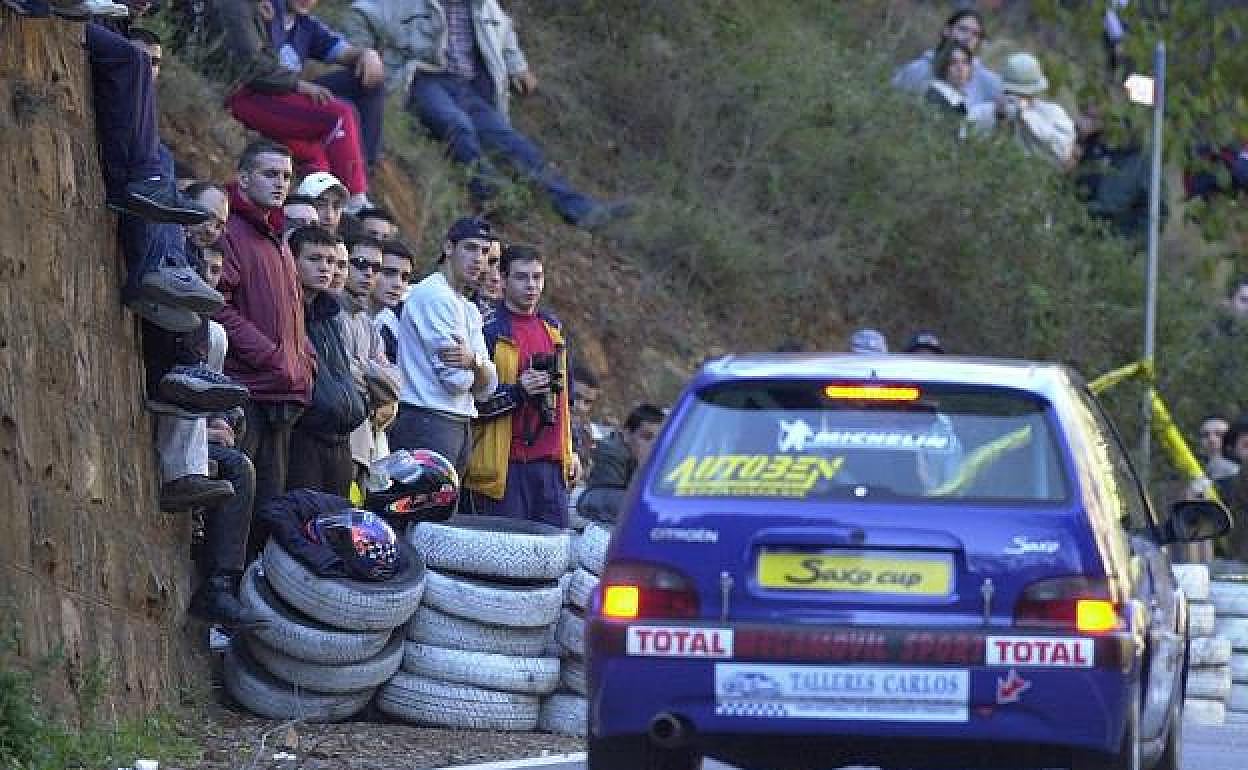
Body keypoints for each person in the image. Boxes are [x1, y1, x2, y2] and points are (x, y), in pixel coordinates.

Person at [340, 0, 632, 230]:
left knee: (515, 146)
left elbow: (504, 32)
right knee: (457, 125)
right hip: (423, 79)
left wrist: (518, 67)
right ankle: (494, 196)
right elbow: (360, 13)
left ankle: (583, 212)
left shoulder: (483, 4)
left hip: (467, 87)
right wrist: (365, 55)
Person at [172, 0, 373, 212]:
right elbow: (252, 68)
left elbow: (266, 60)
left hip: (262, 90)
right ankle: (355, 200)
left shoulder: (285, 17)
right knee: (339, 114)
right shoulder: (238, 5)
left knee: (314, 150)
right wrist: (297, 84)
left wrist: (267, 26)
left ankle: (317, 205)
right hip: (241, 93)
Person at [215, 140, 315, 544]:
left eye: (287, 176)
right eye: (270, 174)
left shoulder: (279, 239)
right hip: (247, 389)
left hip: (281, 392)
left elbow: (294, 315)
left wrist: (304, 363)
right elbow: (217, 306)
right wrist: (271, 357)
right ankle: (222, 578)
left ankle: (250, 580)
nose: (280, 183)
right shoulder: (230, 231)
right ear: (243, 178)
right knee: (235, 505)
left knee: (267, 512)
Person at [466, 244, 577, 526]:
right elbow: (471, 405)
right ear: (503, 280)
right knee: (505, 547)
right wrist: (518, 391)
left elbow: (565, 402)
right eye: (521, 277)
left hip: (551, 467)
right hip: (504, 468)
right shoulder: (488, 331)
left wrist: (570, 450)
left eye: (537, 277)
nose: (531, 285)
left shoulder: (553, 331)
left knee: (555, 548)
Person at [389, 217, 499, 482]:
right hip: (427, 420)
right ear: (449, 248)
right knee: (422, 506)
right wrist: (479, 367)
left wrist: (474, 362)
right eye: (470, 248)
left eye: (484, 252)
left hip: (456, 423)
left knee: (443, 507)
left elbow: (487, 389)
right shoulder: (435, 296)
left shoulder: (467, 307)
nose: (479, 259)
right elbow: (457, 381)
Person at [285, 226, 368, 496]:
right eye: (314, 259)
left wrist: (358, 405)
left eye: (331, 261)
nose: (325, 268)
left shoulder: (331, 314)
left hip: (340, 438)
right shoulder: (285, 309)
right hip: (302, 438)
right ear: (292, 260)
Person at [268, 0, 388, 170]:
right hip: (268, 96)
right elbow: (255, 67)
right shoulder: (263, 9)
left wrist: (368, 54)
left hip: (296, 93)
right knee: (345, 109)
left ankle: (363, 168)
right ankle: (351, 171)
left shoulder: (306, 25)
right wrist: (299, 85)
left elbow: (344, 52)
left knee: (369, 82)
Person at [337, 234, 401, 485]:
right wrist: (374, 376)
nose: (369, 273)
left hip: (365, 441)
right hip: (336, 438)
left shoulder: (367, 323)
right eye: (361, 264)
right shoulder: (329, 314)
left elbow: (395, 385)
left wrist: (362, 369)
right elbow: (340, 374)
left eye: (376, 267)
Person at [892, 9, 1002, 108]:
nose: (969, 37)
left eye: (975, 34)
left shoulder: (987, 80)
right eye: (963, 29)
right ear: (947, 31)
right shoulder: (919, 69)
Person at [577, 403, 664, 524]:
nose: (654, 446)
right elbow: (598, 500)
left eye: (661, 439)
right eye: (647, 438)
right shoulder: (611, 452)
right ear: (627, 434)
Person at [992, 53, 1077, 170]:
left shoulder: (1053, 113)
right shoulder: (988, 112)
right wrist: (1001, 120)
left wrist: (1027, 116)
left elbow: (1064, 155)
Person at [371, 237, 416, 364]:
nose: (398, 284)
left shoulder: (393, 323)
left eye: (404, 277)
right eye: (389, 273)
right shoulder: (345, 316)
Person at [570, 363, 601, 474]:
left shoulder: (586, 433)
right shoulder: (544, 421)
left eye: (587, 402)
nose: (580, 406)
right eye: (576, 396)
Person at [1199, 416, 1239, 482]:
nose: (1211, 439)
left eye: (1219, 434)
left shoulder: (1238, 473)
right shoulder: (1194, 466)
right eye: (1205, 435)